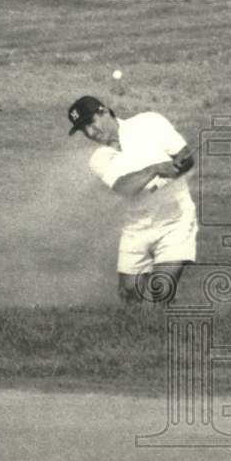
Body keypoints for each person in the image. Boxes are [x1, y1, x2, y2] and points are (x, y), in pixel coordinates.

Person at [67, 95, 196, 304]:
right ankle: (138, 334)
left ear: (105, 111)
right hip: (136, 226)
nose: (90, 133)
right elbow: (124, 188)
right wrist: (155, 169)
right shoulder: (98, 159)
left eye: (91, 123)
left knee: (161, 291)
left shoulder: (149, 122)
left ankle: (162, 330)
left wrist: (174, 170)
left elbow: (186, 157)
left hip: (175, 220)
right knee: (129, 298)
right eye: (83, 130)